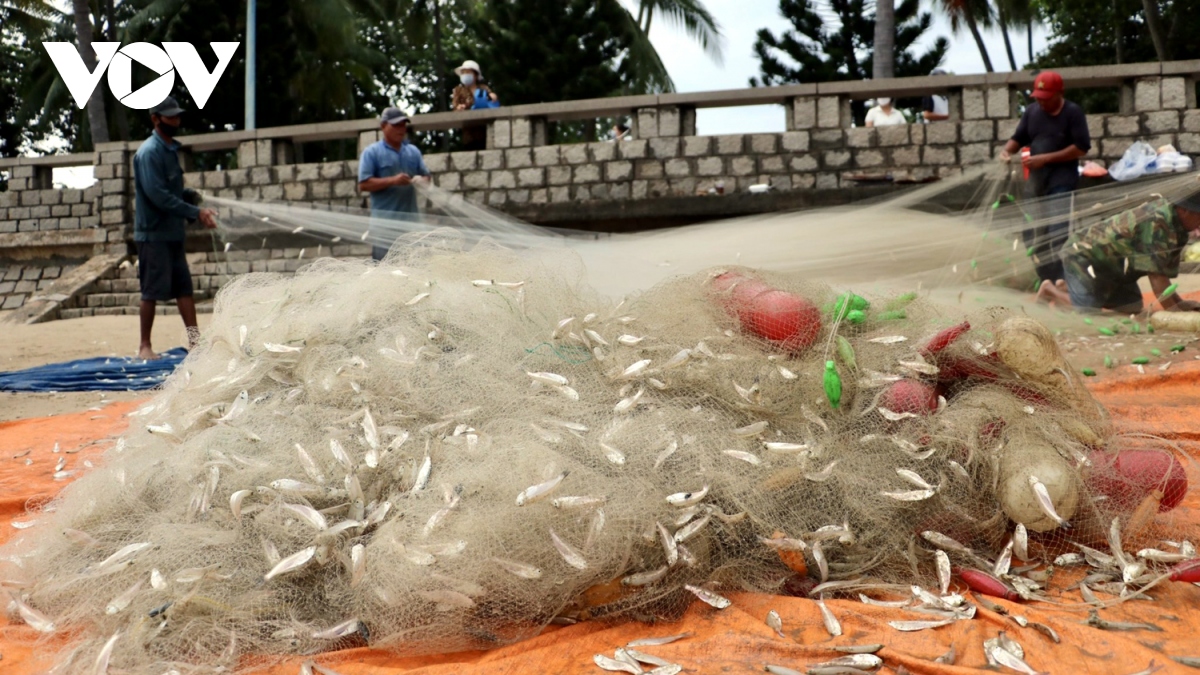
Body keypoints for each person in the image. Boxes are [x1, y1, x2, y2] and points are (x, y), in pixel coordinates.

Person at [132, 96, 218, 360]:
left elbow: (173, 191)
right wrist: (195, 212)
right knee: (151, 292)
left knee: (184, 288)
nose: (176, 120)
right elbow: (158, 195)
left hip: (173, 232)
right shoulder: (148, 153)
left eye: (177, 116)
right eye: (169, 116)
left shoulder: (171, 151)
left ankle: (195, 342)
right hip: (153, 233)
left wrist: (190, 195)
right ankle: (144, 345)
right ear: (155, 119)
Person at [999, 71, 1091, 286]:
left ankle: (1062, 280)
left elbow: (1081, 148)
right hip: (1036, 181)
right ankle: (1044, 278)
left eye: (1046, 97)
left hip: (1061, 181)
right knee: (1031, 232)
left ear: (1060, 93)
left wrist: (1046, 159)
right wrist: (1006, 152)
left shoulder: (1072, 113)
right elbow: (1019, 137)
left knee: (1057, 231)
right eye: (1038, 97)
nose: (1041, 101)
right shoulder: (1032, 112)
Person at [1036, 194, 1200, 313]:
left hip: (1113, 264)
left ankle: (1068, 287)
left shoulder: (1179, 227)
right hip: (1084, 254)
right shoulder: (1158, 221)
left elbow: (1163, 275)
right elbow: (1156, 277)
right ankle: (1050, 289)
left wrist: (1181, 303)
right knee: (1086, 311)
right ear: (1185, 211)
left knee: (1131, 307)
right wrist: (1176, 314)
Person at [358, 107, 432, 261]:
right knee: (385, 274)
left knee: (414, 273)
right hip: (384, 228)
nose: (401, 129)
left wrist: (421, 181)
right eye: (396, 125)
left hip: (411, 227)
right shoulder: (372, 152)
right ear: (383, 126)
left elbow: (427, 177)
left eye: (403, 125)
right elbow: (364, 184)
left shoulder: (413, 152)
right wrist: (392, 181)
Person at [451, 59, 499, 151]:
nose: (465, 75)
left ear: (476, 75)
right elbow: (455, 108)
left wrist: (493, 97)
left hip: (484, 131)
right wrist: (459, 108)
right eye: (463, 73)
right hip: (468, 134)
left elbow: (492, 102)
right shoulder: (458, 91)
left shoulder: (483, 89)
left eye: (468, 72)